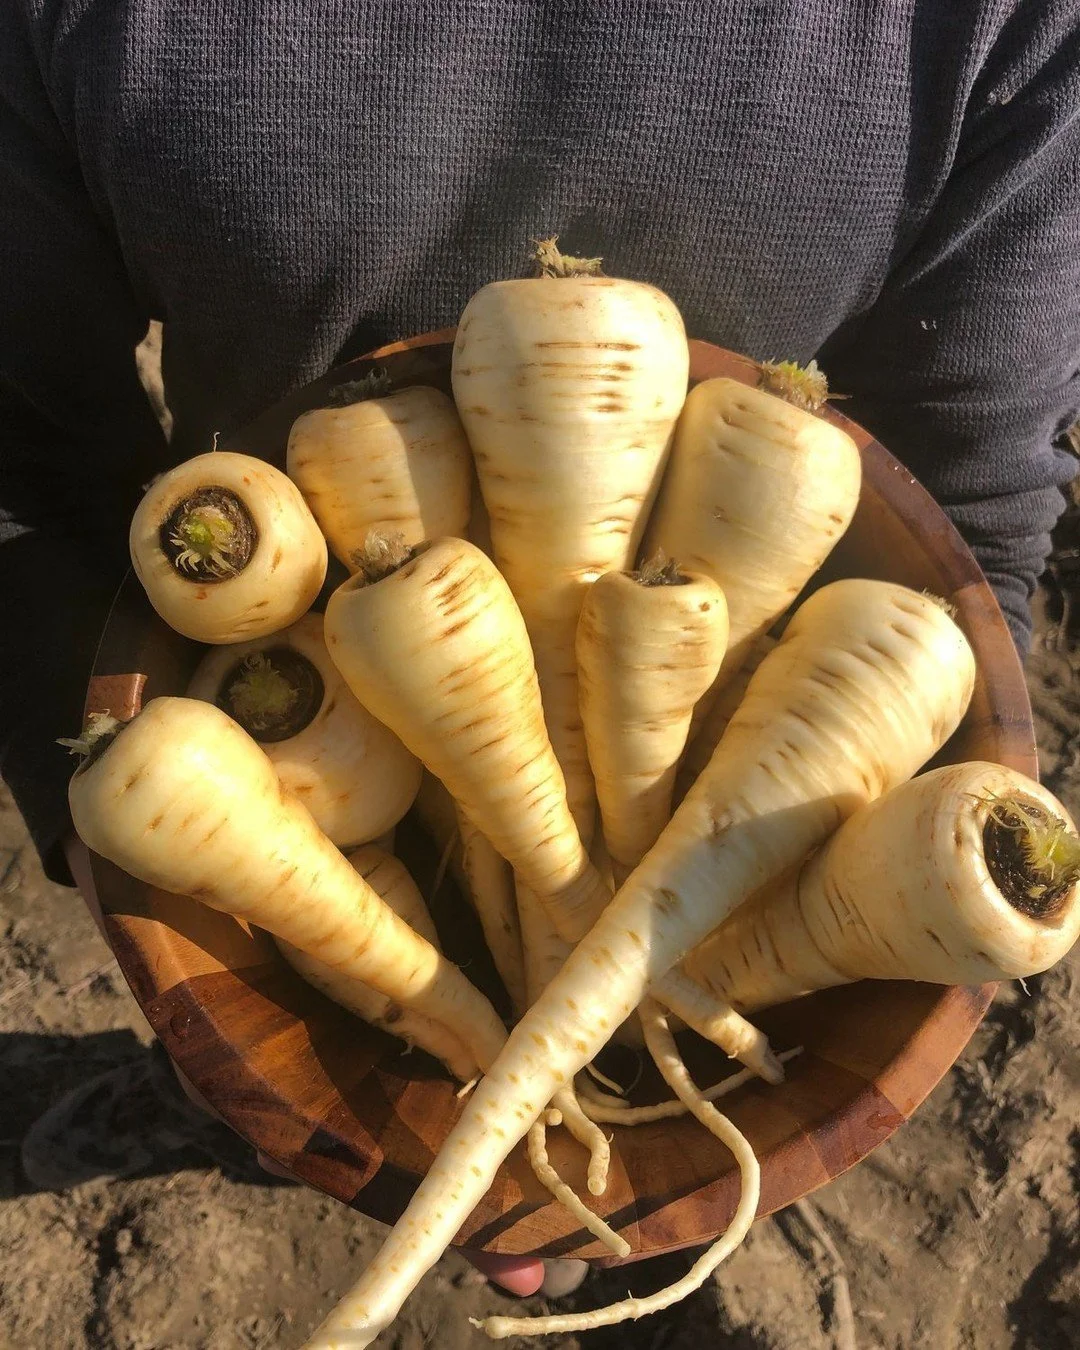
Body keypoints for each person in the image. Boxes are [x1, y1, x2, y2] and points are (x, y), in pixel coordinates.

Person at [3, 0, 1078, 1305]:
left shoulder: (998, 25)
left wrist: (648, 973)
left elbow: (968, 509)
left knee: (585, 945)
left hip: (727, 766)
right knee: (508, 957)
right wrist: (121, 854)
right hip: (300, 735)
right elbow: (37, 461)